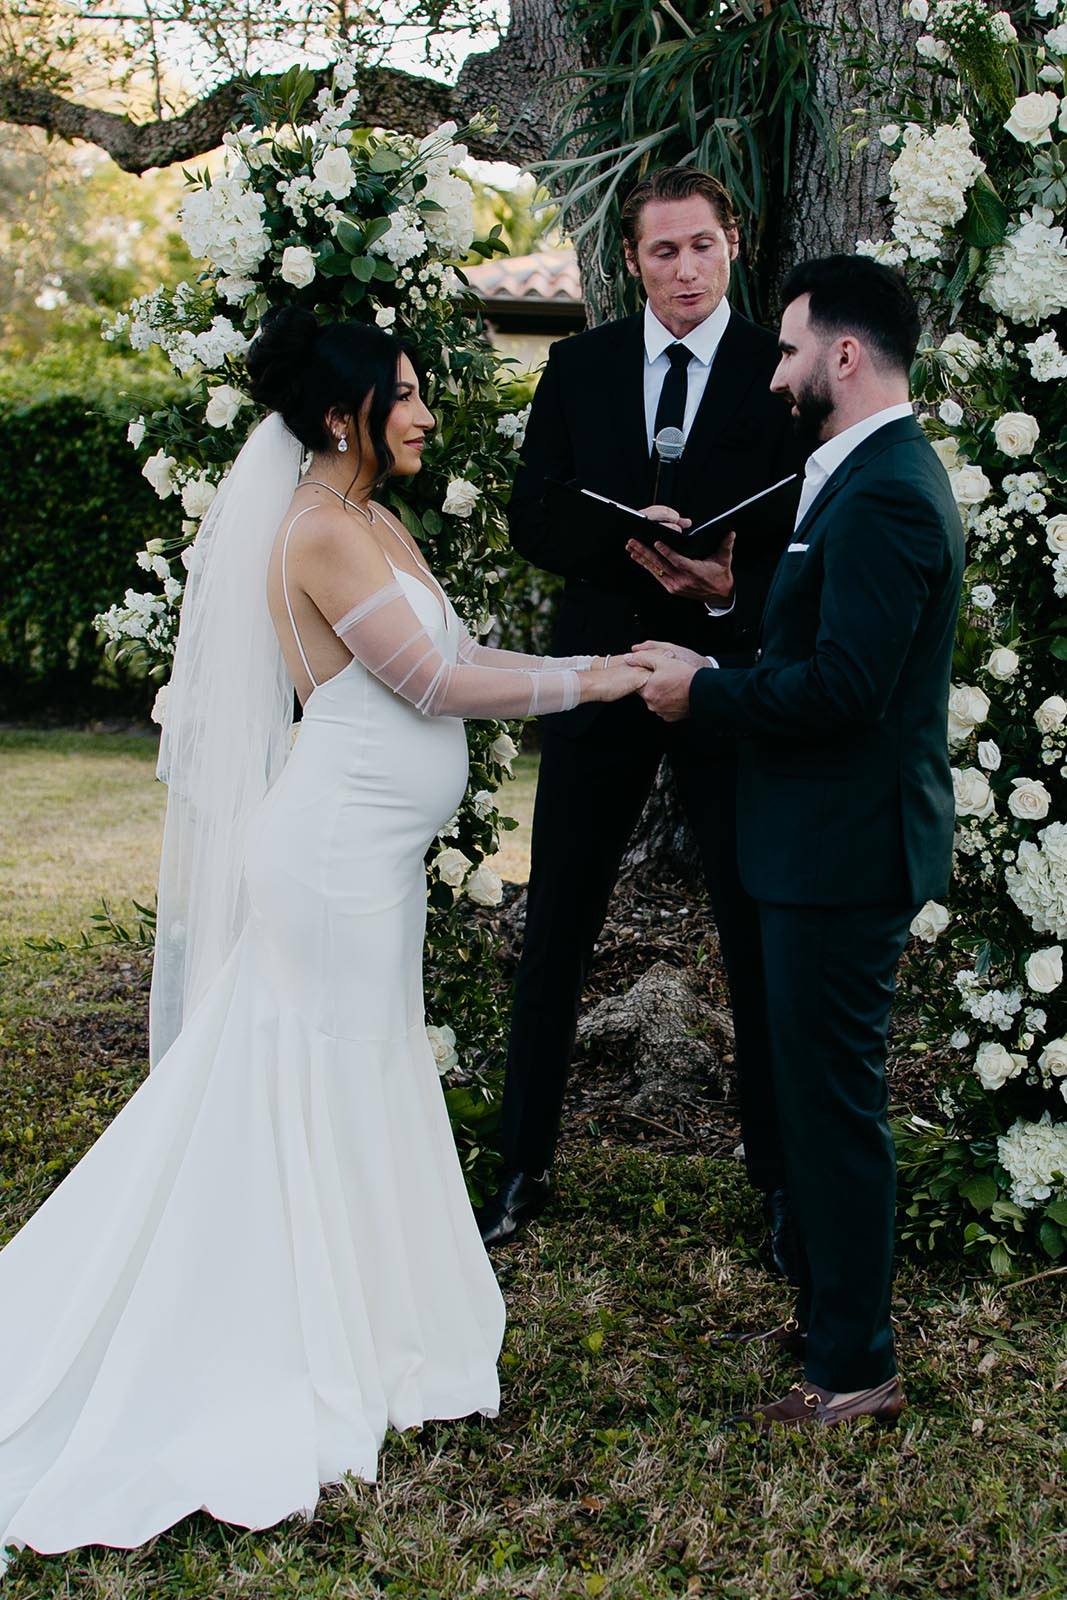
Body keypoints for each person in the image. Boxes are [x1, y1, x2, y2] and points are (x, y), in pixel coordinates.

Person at [0, 308, 650, 1570]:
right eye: (402, 395)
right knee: (305, 1078)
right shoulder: (314, 529)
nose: (422, 412)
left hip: (372, 867)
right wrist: (600, 679)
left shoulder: (370, 518)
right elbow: (437, 684)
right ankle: (287, 1332)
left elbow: (459, 651)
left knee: (358, 1073)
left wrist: (602, 657)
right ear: (346, 414)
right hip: (330, 865)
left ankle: (370, 1312)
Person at [635, 255, 964, 1429]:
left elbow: (843, 691)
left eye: (782, 350)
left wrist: (702, 690)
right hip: (816, 843)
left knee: (831, 1105)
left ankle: (854, 1364)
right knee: (817, 1093)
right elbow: (819, 644)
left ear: (839, 353)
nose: (771, 373)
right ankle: (836, 1313)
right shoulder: (858, 475)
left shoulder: (881, 487)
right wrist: (728, 601)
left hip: (841, 851)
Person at [480, 167, 802, 1276]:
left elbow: (803, 538)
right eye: (661, 251)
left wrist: (718, 585)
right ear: (629, 259)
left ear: (730, 246)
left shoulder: (779, 374)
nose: (682, 269)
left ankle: (778, 1183)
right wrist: (621, 541)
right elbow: (533, 509)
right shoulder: (579, 366)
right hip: (597, 672)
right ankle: (519, 1162)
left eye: (700, 247)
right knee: (556, 920)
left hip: (724, 680)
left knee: (753, 931)